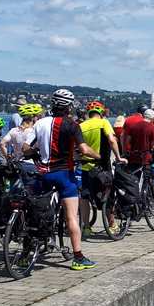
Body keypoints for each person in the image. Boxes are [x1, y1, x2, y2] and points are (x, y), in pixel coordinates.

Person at [27, 89, 100, 271]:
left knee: (33, 211)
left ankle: (25, 254)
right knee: (71, 217)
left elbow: (25, 148)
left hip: (43, 173)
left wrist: (37, 152)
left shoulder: (40, 123)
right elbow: (83, 149)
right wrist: (98, 156)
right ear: (69, 106)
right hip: (64, 175)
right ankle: (78, 258)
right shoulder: (72, 125)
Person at [78, 101, 127, 238]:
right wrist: (118, 157)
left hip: (86, 166)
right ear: (101, 112)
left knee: (85, 197)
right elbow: (112, 140)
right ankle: (111, 225)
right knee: (108, 195)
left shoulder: (81, 126)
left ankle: (86, 227)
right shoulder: (104, 123)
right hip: (102, 166)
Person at [122, 107, 154, 171]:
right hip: (145, 158)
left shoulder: (134, 126)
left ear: (143, 116)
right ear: (152, 118)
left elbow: (127, 141)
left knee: (133, 177)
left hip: (133, 156)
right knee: (146, 178)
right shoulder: (152, 128)